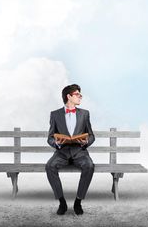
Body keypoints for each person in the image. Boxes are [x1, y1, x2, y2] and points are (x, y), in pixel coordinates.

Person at [45, 84, 95, 215]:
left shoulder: (85, 114)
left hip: (80, 151)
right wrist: (56, 143)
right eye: (78, 94)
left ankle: (78, 201)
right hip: (62, 152)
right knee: (49, 166)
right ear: (69, 96)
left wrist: (86, 142)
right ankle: (62, 202)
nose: (80, 97)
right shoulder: (55, 114)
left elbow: (91, 135)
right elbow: (50, 137)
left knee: (89, 166)